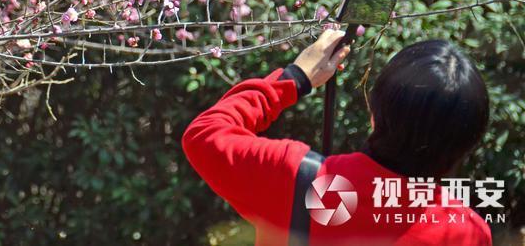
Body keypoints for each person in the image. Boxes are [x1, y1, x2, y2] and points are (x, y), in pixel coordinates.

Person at [182, 29, 492, 245]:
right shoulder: (467, 233)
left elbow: (204, 134)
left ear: (374, 111)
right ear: (470, 142)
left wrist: (295, 79)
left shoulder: (298, 178)